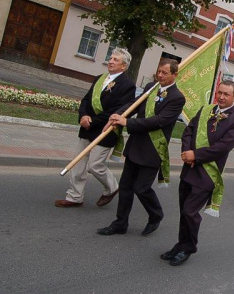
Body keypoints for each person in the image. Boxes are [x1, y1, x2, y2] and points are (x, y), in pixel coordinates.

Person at [96, 59, 186, 236]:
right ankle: (120, 223)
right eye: (159, 71)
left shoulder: (177, 98)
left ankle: (156, 215)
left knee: (141, 188)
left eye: (164, 73)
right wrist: (119, 114)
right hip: (136, 144)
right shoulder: (151, 87)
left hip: (153, 149)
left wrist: (127, 122)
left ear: (175, 75)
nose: (160, 75)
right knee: (126, 186)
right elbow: (134, 104)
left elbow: (158, 121)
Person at [161, 80, 234, 266]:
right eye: (220, 93)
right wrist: (186, 153)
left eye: (226, 94)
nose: (221, 97)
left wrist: (195, 155)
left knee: (190, 212)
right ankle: (180, 244)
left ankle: (188, 248)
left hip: (207, 174)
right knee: (184, 210)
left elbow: (222, 147)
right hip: (189, 168)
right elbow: (188, 131)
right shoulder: (205, 110)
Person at [55, 48, 136, 208]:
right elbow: (86, 99)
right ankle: (74, 197)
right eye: (111, 58)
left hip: (105, 130)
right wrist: (83, 116)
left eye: (116, 60)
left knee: (95, 165)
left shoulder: (128, 85)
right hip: (86, 127)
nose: (111, 61)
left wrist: (92, 121)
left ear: (124, 66)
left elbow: (117, 111)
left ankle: (112, 187)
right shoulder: (100, 78)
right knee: (78, 163)